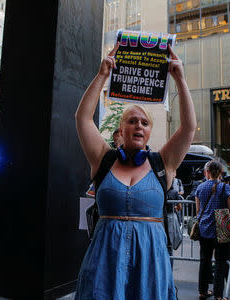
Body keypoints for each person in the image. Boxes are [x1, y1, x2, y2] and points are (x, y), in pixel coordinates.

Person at [74, 43, 196, 299]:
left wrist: (180, 80)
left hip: (150, 264)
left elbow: (188, 128)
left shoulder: (164, 163)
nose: (139, 126)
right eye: (132, 121)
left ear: (149, 131)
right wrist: (102, 76)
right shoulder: (103, 159)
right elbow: (83, 118)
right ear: (122, 129)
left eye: (144, 122)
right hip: (105, 263)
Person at [195, 160, 230, 300]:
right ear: (220, 173)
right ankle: (219, 295)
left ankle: (202, 291)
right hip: (221, 227)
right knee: (220, 262)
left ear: (206, 172)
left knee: (204, 260)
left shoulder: (200, 188)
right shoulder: (225, 188)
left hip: (204, 227)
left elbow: (198, 210)